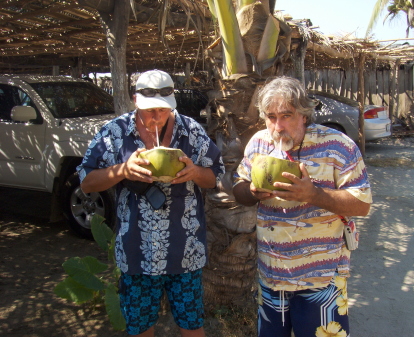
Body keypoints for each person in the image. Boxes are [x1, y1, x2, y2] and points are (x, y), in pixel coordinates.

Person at [77, 69, 225, 337]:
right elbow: (86, 181)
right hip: (137, 253)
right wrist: (122, 170)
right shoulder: (115, 133)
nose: (156, 117)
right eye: (149, 111)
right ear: (135, 101)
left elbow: (215, 175)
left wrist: (194, 173)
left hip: (185, 253)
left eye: (162, 110)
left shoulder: (190, 131)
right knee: (141, 328)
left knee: (192, 326)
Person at [232, 76, 372, 337]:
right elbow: (239, 189)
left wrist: (313, 194)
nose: (278, 126)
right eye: (271, 117)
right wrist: (252, 192)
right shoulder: (260, 144)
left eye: (287, 115)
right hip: (272, 276)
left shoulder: (338, 146)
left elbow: (362, 204)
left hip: (321, 277)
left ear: (304, 115)